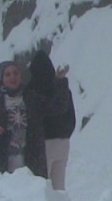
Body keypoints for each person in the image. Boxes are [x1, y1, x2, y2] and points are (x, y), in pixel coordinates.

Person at [0, 60, 49, 179]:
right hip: (2, 159)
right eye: (7, 74)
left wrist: (60, 83)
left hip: (31, 159)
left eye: (16, 73)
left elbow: (56, 108)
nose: (13, 77)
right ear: (0, 78)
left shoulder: (31, 97)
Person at [29, 50, 76, 191]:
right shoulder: (62, 90)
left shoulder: (32, 91)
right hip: (63, 142)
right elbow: (71, 117)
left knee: (42, 186)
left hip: (44, 143)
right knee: (59, 186)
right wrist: (65, 132)